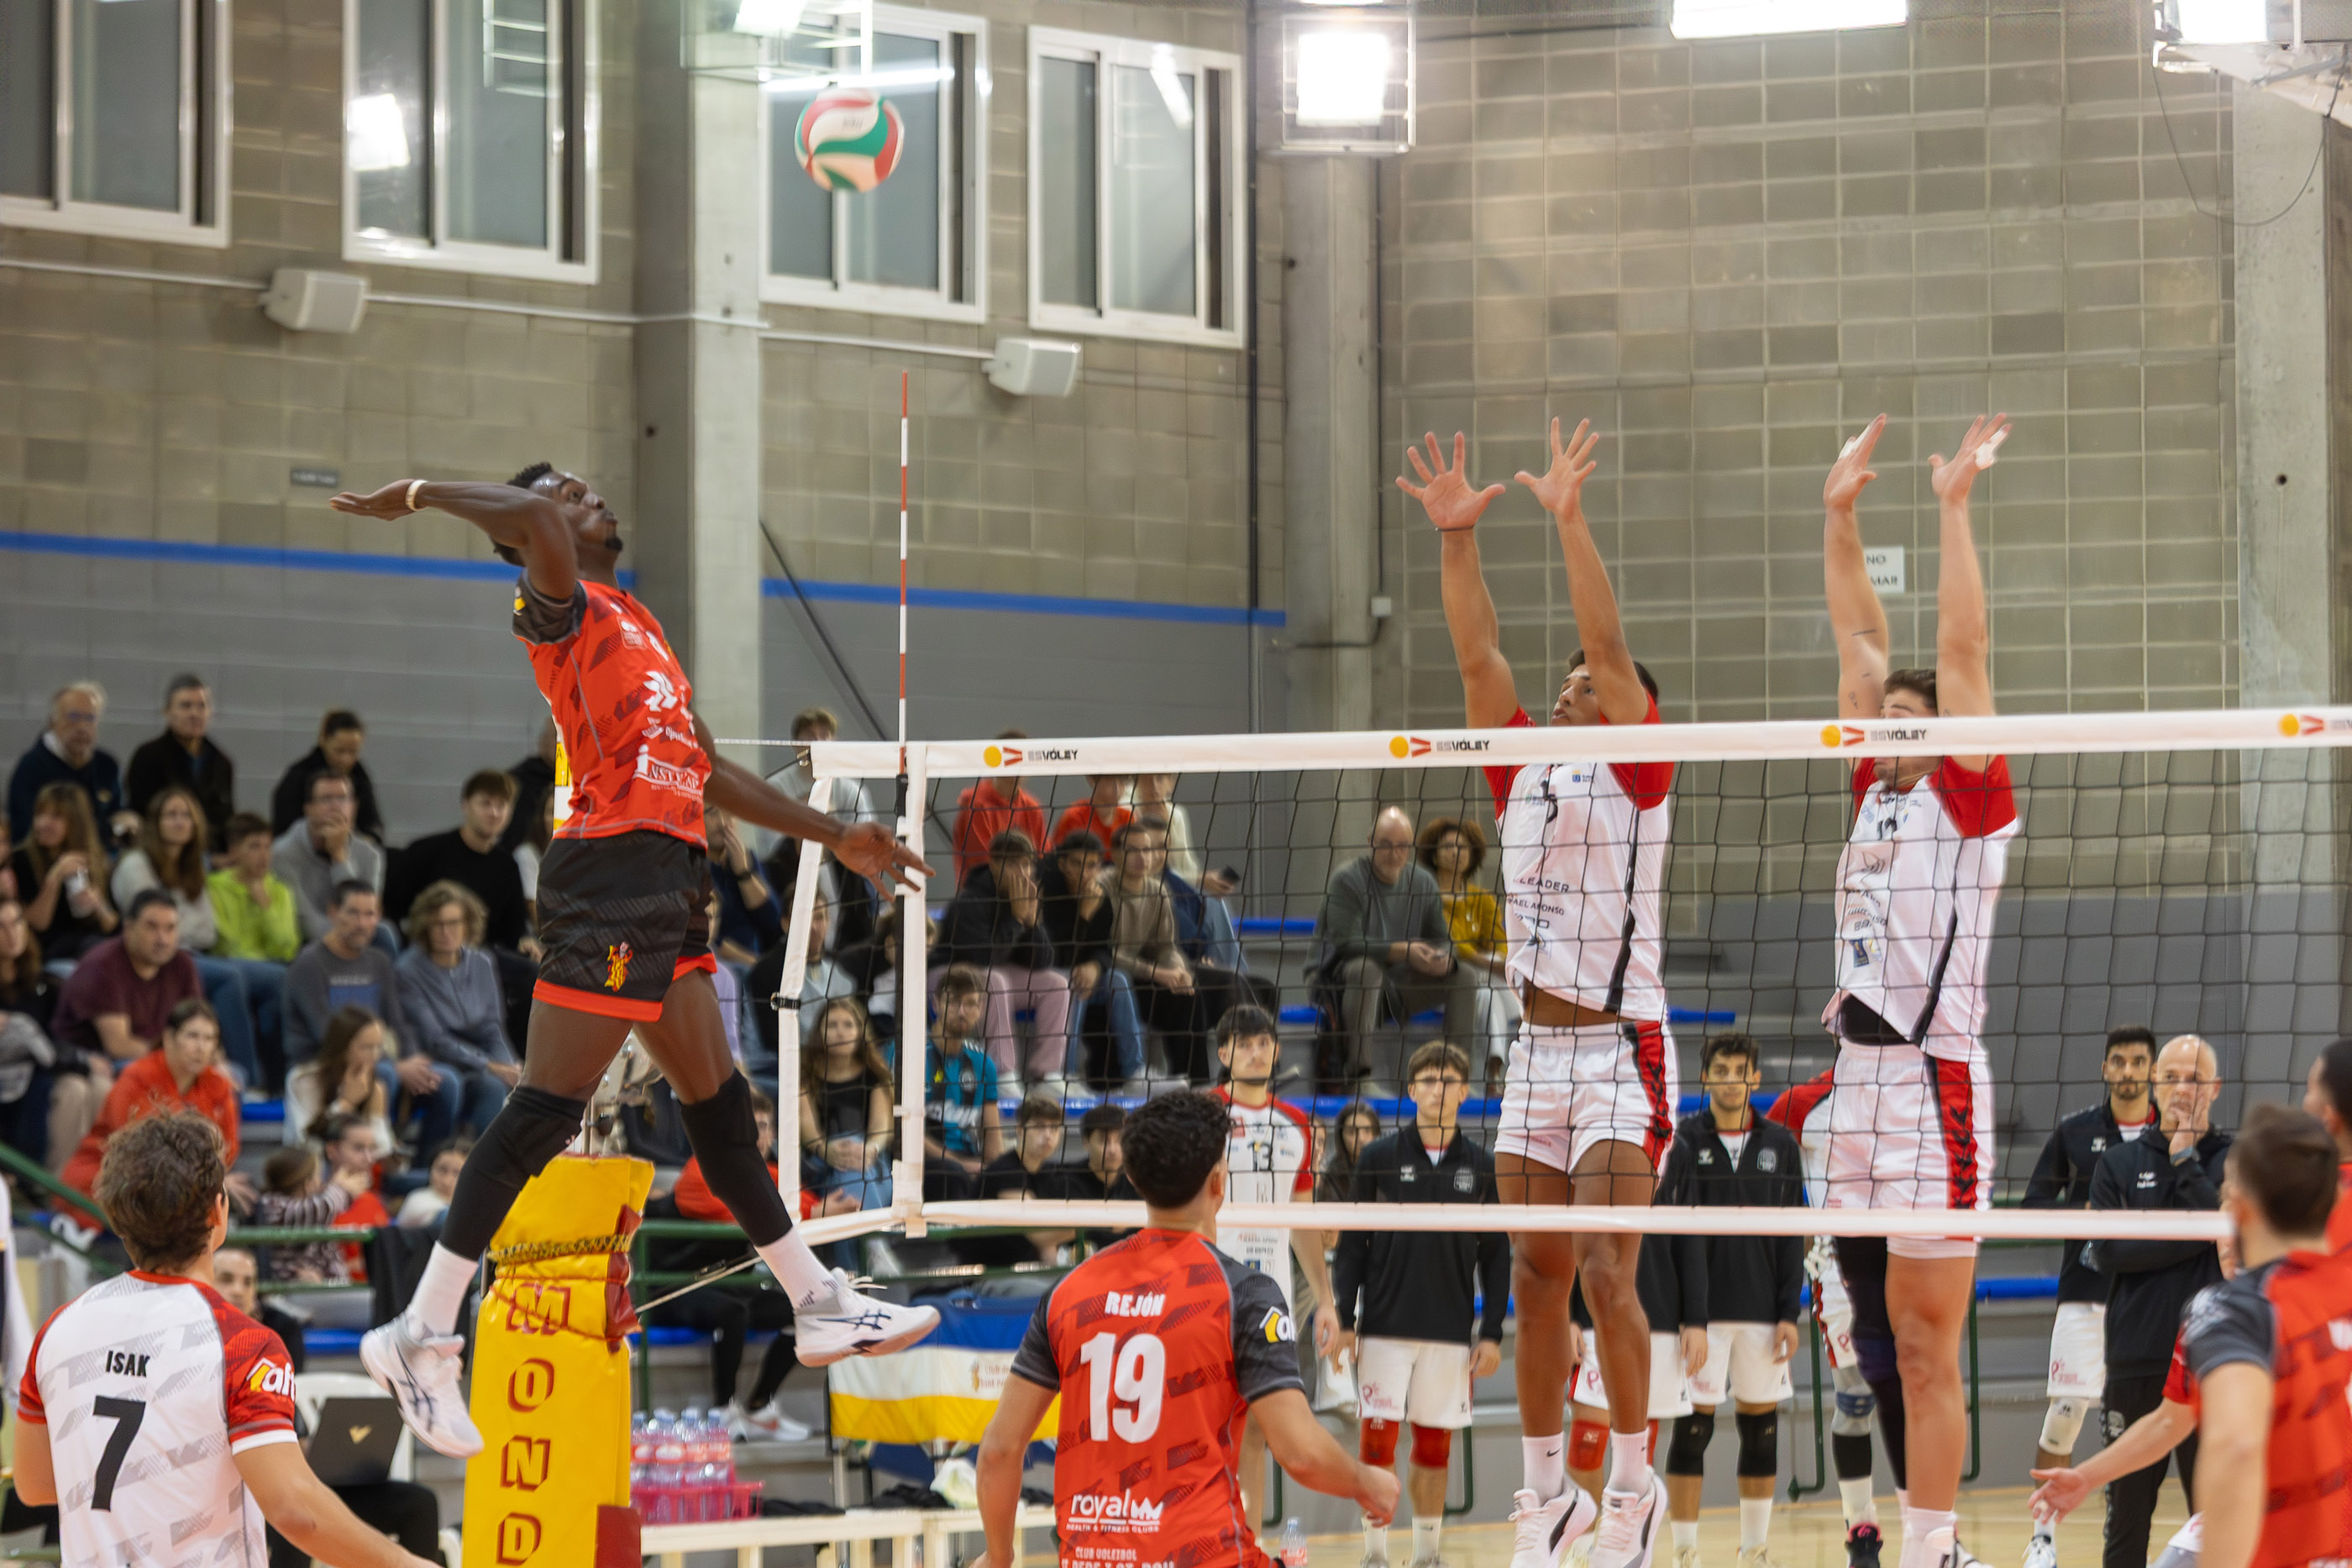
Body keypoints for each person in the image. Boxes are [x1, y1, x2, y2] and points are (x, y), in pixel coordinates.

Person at [328, 461, 937, 1460]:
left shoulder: (640, 622)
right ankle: (418, 1332)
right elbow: (531, 516)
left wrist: (836, 834)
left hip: (672, 878)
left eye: (585, 488)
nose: (590, 495)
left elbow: (709, 766)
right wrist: (423, 490)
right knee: (545, 1110)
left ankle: (816, 1301)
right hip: (607, 874)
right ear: (530, 540)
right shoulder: (555, 606)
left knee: (719, 1106)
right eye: (569, 493)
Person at [1403, 416, 1677, 1568]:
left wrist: (1568, 519)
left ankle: (1633, 1489)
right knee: (1534, 1275)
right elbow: (1480, 658)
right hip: (1534, 1054)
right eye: (1561, 686)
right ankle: (1544, 1497)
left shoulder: (1642, 769)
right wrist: (1457, 537)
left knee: (1610, 1271)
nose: (1570, 691)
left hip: (1621, 1047)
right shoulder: (1519, 767)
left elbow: (1607, 645)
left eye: (1586, 687)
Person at [1811, 412, 2017, 1568]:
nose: (1883, 723)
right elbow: (1858, 635)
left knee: (1931, 1347)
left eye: (1905, 717)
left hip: (1935, 1086)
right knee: (1877, 1344)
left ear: (1942, 733)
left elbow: (1962, 647)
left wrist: (1950, 509)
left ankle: (1937, 1546)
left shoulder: (1968, 791)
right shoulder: (1871, 785)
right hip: (1855, 1082)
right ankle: (1906, 1531)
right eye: (1882, 716)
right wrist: (1837, 514)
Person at [971, 1090, 1399, 1568]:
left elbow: (999, 1450)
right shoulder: (1244, 1294)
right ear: (1219, 1181)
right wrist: (1367, 1482)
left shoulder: (1067, 1293)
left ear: (1133, 1179)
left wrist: (998, 1556)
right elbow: (1300, 1454)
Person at [13, 1111, 439, 1568]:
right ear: (219, 1211)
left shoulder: (59, 1328)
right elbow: (296, 1512)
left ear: (118, 1219)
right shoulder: (241, 1342)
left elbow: (34, 1485)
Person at [2038, 1105, 2352, 1568]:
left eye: (2224, 1196)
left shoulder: (2229, 1311)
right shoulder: (2328, 1286)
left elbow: (2235, 1448)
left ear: (2240, 1208)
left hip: (2285, 1538)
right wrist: (2087, 1476)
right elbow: (2171, 1421)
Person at [1331, 1041, 1509, 1568]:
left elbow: (1496, 1256)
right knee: (1377, 1446)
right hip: (1383, 1329)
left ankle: (1428, 1555)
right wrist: (1345, 1319)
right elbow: (1352, 1246)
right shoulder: (1379, 1158)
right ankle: (1375, 1555)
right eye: (1428, 1080)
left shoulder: (1482, 1166)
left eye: (1449, 1080)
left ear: (1465, 1091)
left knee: (1434, 1449)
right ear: (1411, 1091)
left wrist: (1492, 1332)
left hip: (1449, 1331)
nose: (1439, 1089)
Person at [2017, 1025, 2159, 1568]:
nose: (2128, 1071)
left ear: (2152, 1070)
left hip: (2150, 1296)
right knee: (2066, 1410)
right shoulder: (2075, 1132)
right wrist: (2085, 1214)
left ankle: (2142, 1525)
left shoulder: (2173, 1133)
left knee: (2152, 1416)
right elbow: (2033, 1205)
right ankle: (2043, 1536)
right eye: (2118, 1061)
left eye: (2138, 1061)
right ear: (2105, 1069)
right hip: (2086, 1291)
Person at [2087, 1033, 2227, 1568]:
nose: (2182, 1089)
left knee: (2216, 1522)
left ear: (2215, 1088)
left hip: (2210, 1364)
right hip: (2136, 1359)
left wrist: (2185, 1159)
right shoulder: (2118, 1163)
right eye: (2170, 1077)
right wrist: (2198, 1236)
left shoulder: (2234, 1159)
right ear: (2154, 1084)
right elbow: (2109, 1253)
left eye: (2194, 1078)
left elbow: (2230, 1234)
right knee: (2125, 1523)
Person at [1665, 1035, 1805, 1568]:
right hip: (1702, 1317)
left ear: (1756, 1078)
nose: (1731, 1080)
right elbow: (1676, 1235)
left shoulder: (1781, 1144)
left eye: (1740, 1070)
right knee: (1692, 1430)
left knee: (1761, 1433)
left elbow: (1792, 1234)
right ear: (1705, 1077)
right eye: (1720, 1070)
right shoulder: (1683, 1140)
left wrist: (1788, 1312)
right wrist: (1690, 1317)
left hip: (1764, 1313)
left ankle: (1754, 1551)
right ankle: (1685, 1552)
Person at [1214, 1004, 1343, 1527]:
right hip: (1211, 1287)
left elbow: (1302, 1219)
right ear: (1223, 1053)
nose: (1255, 1051)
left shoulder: (1297, 1125)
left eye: (1264, 1042)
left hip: (1271, 1294)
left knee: (1257, 1424)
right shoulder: (1204, 1114)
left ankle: (1246, 1541)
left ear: (1277, 1050)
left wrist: (1326, 1300)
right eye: (1244, 1043)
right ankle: (1205, 1537)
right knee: (1208, 1420)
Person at [1762, 1071, 1885, 1568]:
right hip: (1838, 1269)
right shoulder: (1804, 1103)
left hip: (1910, 1257)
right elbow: (1764, 1171)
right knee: (1856, 1401)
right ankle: (1862, 1529)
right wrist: (1801, 1232)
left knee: (1918, 1397)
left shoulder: (1919, 1090)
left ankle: (1935, 1531)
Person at [115, 785, 271, 1088]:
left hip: (193, 953)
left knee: (276, 979)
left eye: (186, 815)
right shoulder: (136, 864)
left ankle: (276, 1081)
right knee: (230, 978)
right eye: (171, 815)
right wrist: (175, 927)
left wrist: (177, 926)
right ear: (155, 822)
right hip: (153, 955)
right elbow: (149, 924)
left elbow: (207, 930)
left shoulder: (194, 865)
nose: (179, 822)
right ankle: (247, 1082)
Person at [1316, 806, 1476, 1087]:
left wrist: (1442, 959)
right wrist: (1403, 951)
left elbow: (1443, 940)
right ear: (1370, 843)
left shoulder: (1423, 882)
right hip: (1343, 984)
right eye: (1386, 845)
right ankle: (1360, 1078)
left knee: (1463, 975)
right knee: (1366, 970)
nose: (1395, 854)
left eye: (1402, 846)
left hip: (1399, 987)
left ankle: (1456, 1077)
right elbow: (1347, 944)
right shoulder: (1347, 879)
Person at [48, 890, 203, 1167]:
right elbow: (119, 1045)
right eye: (152, 927)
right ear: (129, 928)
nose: (163, 939)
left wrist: (208, 1057)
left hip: (156, 1057)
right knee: (116, 1082)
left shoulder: (182, 964)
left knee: (226, 1076)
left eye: (170, 928)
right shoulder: (103, 965)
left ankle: (206, 1173)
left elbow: (198, 1024)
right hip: (91, 1060)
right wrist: (180, 1056)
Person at [1105, 818, 1242, 1086]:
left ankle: (1208, 1082)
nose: (1143, 857)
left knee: (1189, 990)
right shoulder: (1102, 890)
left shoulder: (1158, 891)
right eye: (1133, 851)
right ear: (1116, 855)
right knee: (1188, 996)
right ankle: (1195, 1083)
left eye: (1147, 850)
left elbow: (1166, 946)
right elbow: (1104, 952)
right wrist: (1157, 972)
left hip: (1144, 976)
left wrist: (1178, 970)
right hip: (1114, 978)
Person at [59, 996, 241, 1198]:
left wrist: (212, 1177)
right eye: (192, 1036)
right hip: (109, 1177)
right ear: (168, 1038)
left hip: (182, 1185)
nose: (201, 1047)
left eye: (209, 1039)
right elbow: (139, 1149)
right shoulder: (137, 1077)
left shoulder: (219, 1085)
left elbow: (228, 1147)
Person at [940, 829, 1071, 1092]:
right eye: (1013, 864)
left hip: (996, 975)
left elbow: (1043, 962)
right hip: (949, 976)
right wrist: (1017, 921)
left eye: (1027, 864)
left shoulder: (1025, 896)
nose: (1022, 872)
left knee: (1056, 983)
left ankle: (1046, 1074)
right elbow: (981, 958)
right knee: (994, 979)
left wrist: (1032, 924)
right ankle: (1002, 1074)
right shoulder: (969, 901)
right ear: (994, 864)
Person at [395, 881, 522, 1136]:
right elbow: (436, 1040)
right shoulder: (407, 971)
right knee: (488, 1083)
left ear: (467, 924)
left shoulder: (482, 962)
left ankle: (484, 1154)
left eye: (454, 923)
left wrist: (508, 1066)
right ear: (425, 926)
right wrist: (491, 1066)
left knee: (507, 1085)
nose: (446, 932)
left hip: (479, 1062)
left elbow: (493, 1027)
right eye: (438, 924)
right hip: (438, 1061)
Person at [384, 769, 536, 957]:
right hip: (427, 953)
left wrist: (525, 942)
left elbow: (514, 931)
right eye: (486, 804)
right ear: (466, 805)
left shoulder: (508, 868)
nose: (494, 813)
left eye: (501, 805)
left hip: (482, 957)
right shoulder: (427, 851)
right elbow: (392, 907)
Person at [1039, 829, 1143, 1089]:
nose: (1085, 873)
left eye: (1092, 866)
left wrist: (1095, 966)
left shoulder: (1101, 898)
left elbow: (1105, 948)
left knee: (1118, 980)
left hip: (1084, 976)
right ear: (1062, 864)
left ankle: (1134, 1073)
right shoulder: (1046, 894)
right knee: (1072, 981)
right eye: (1077, 864)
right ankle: (1068, 1076)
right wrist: (1084, 917)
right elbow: (1056, 955)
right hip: (1047, 977)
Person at [1419, 815, 1519, 1081]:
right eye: (1448, 846)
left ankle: (1496, 1069)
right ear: (1434, 855)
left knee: (1490, 992)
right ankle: (1507, 1056)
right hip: (1443, 981)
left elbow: (1500, 944)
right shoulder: (1426, 898)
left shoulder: (1483, 899)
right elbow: (1452, 945)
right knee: (1487, 986)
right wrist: (1484, 961)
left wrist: (1486, 960)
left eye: (1462, 847)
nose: (1456, 853)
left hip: (1484, 980)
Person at [798, 994, 895, 1212]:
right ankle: (872, 1232)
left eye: (848, 1025)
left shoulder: (874, 1076)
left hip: (872, 1163)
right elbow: (810, 1134)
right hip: (822, 1166)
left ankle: (865, 1228)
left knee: (857, 1165)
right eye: (832, 1025)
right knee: (852, 1169)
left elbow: (881, 1130)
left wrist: (869, 1149)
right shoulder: (806, 1076)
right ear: (820, 1032)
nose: (840, 1032)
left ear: (860, 1031)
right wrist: (828, 1151)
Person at [7, 681, 132, 842]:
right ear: (53, 721)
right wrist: (107, 830)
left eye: (90, 718)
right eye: (73, 717)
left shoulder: (107, 765)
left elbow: (120, 817)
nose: (82, 727)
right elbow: (26, 831)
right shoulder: (31, 768)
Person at [9, 779, 118, 964]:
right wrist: (56, 876)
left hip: (93, 945)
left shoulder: (95, 859)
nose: (43, 823)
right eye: (40, 814)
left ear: (76, 822)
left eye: (56, 817)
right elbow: (38, 924)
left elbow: (113, 927)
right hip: (50, 952)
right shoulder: (21, 859)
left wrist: (98, 905)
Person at [274, 773, 387, 947]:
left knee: (384, 933)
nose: (336, 806)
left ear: (354, 806)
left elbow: (366, 914)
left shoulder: (371, 855)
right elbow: (305, 922)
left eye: (343, 799)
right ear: (308, 808)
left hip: (357, 938)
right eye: (326, 799)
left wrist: (339, 858)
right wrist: (348, 935)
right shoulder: (282, 854)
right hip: (306, 945)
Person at [126, 674, 235, 842]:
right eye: (186, 706)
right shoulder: (148, 757)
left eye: (201, 706)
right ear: (167, 712)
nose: (194, 713)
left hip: (209, 850)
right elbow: (140, 813)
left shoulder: (222, 763)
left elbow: (226, 820)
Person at [925, 965, 1004, 1196]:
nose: (961, 1012)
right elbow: (903, 1134)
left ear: (980, 1009)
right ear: (936, 1004)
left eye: (970, 1004)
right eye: (953, 1002)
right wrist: (960, 1164)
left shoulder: (983, 1064)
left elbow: (992, 1133)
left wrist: (998, 1172)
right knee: (952, 1174)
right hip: (925, 1165)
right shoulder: (910, 1056)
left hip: (969, 1162)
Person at [285, 1005, 396, 1156]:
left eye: (379, 1047)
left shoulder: (374, 1087)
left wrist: (375, 1116)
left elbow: (383, 1152)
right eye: (367, 1047)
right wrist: (345, 1104)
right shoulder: (304, 1081)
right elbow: (307, 1145)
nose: (375, 1056)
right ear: (342, 1047)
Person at [0, 896, 59, 1160]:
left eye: (16, 922)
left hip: (36, 1067)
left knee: (84, 1087)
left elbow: (54, 1036)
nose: (11, 934)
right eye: (1, 927)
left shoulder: (42, 983)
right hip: (8, 1071)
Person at [270, 711, 386, 842]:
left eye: (353, 752)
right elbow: (285, 828)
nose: (346, 759)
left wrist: (365, 842)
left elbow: (372, 823)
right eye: (339, 751)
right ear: (323, 740)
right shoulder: (297, 777)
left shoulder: (359, 775)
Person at [952, 737, 1047, 886]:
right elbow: (981, 867)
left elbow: (1041, 860)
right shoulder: (977, 805)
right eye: (1012, 759)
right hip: (983, 891)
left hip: (1025, 890)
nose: (1016, 768)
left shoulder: (1032, 808)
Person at [211, 813, 302, 963]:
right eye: (254, 846)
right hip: (232, 966)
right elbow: (226, 946)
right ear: (234, 851)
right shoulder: (214, 887)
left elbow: (287, 951)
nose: (264, 855)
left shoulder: (281, 891)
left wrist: (267, 909)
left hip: (273, 968)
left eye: (268, 847)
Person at [396, 1138, 470, 1229]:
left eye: (457, 1173)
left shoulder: (475, 1206)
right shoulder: (417, 1200)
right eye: (442, 1169)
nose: (446, 1181)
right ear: (431, 1168)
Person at [1049, 774, 1131, 852]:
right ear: (1093, 781)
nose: (1117, 789)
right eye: (1109, 781)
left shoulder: (1127, 816)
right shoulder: (1075, 816)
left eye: (1122, 781)